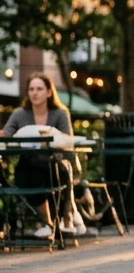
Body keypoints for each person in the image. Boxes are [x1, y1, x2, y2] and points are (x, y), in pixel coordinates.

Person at [1, 74, 78, 239]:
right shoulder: (19, 114)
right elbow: (6, 134)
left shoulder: (60, 113)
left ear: (49, 92)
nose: (35, 93)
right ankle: (47, 223)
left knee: (61, 171)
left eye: (39, 89)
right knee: (25, 175)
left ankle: (66, 217)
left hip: (55, 163)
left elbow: (67, 141)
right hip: (29, 164)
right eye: (31, 89)